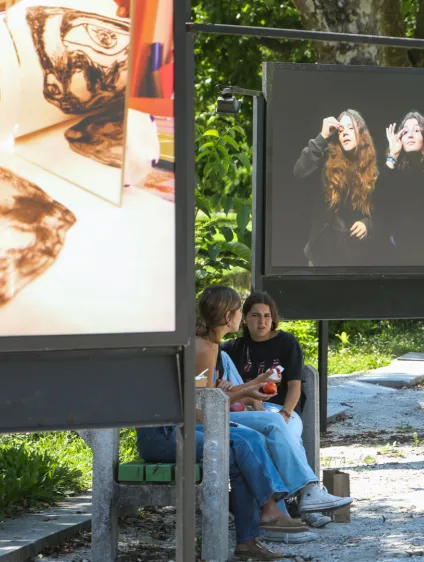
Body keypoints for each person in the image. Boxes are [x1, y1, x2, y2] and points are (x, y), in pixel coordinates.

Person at [138, 288, 310, 560]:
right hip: (162, 435)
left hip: (181, 428)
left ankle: (248, 541)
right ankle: (270, 509)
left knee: (244, 448)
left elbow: (202, 400)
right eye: (241, 311)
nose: (242, 317)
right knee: (244, 441)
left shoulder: (210, 344)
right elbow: (196, 408)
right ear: (229, 315)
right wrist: (241, 400)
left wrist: (248, 389)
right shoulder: (203, 347)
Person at [197, 288, 352, 528]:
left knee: (278, 425)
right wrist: (248, 392)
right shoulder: (215, 348)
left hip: (259, 410)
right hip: (216, 418)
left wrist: (264, 398)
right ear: (234, 317)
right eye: (249, 314)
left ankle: (297, 501)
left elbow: (210, 394)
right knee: (269, 428)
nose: (261, 321)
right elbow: (205, 399)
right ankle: (301, 498)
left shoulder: (219, 346)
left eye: (267, 316)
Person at [293, 110, 377, 266]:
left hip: (356, 258)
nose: (345, 133)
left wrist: (368, 225)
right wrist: (322, 137)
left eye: (351, 128)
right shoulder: (327, 158)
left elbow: (384, 212)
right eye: (341, 130)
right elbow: (299, 171)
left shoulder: (372, 171)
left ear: (361, 133)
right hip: (322, 255)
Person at [374, 111, 424, 263]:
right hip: (399, 257)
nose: (410, 135)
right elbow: (377, 201)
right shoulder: (395, 173)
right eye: (405, 131)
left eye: (416, 130)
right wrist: (393, 155)